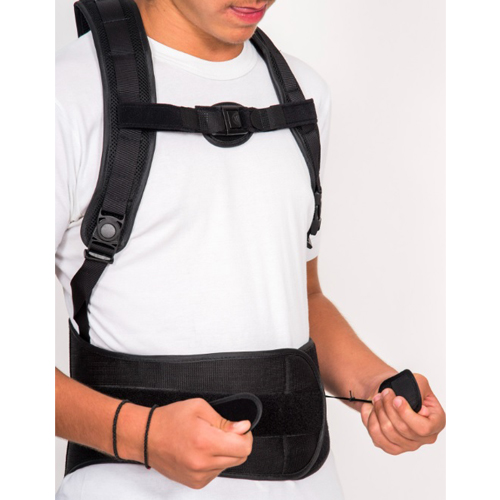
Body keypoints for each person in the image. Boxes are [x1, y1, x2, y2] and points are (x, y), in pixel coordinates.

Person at [55, 1, 446, 499]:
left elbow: (302, 297)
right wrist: (141, 436)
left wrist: (377, 387)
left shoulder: (302, 95)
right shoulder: (63, 95)